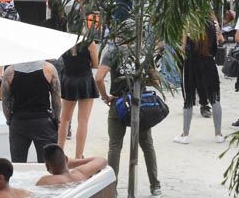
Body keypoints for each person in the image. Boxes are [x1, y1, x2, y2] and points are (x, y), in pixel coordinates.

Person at [95, 24, 163, 196]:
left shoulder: (112, 52)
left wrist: (105, 97)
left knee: (115, 146)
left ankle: (112, 188)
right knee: (147, 145)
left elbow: (99, 78)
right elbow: (156, 79)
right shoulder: (143, 53)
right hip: (139, 103)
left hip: (118, 102)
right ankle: (155, 185)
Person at [1, 58, 62, 163]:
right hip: (43, 121)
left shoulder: (10, 72)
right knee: (46, 164)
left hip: (19, 121)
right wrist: (56, 119)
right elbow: (56, 99)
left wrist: (9, 119)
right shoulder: (49, 69)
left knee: (18, 164)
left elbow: (5, 100)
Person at [173, 19, 224, 144]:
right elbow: (217, 44)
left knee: (189, 98)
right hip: (209, 63)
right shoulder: (213, 24)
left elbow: (183, 48)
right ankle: (218, 134)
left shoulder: (188, 23)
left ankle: (185, 134)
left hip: (191, 64)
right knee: (214, 98)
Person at [57, 36, 99, 159]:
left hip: (69, 79)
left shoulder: (64, 40)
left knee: (65, 119)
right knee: (83, 121)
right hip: (85, 79)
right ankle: (78, 156)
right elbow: (96, 64)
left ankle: (59, 153)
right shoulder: (89, 42)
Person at [36, 144, 107, 187]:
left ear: (47, 167)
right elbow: (102, 160)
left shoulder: (46, 181)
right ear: (66, 159)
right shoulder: (80, 173)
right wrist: (73, 162)